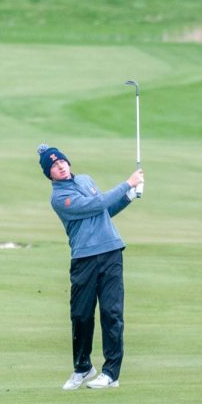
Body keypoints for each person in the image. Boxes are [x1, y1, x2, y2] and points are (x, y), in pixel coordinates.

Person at [37, 143, 143, 390]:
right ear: (49, 174)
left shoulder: (85, 180)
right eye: (53, 165)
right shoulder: (59, 197)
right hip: (84, 258)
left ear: (68, 162)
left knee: (111, 313)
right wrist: (127, 183)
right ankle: (83, 367)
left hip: (111, 251)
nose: (60, 166)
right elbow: (93, 206)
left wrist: (129, 196)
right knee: (81, 315)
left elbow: (104, 210)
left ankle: (111, 373)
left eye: (61, 161)